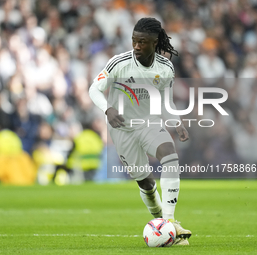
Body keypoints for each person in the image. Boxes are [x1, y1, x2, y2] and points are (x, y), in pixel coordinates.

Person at [89, 17, 191, 245]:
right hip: (123, 129)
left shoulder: (165, 68)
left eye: (142, 42)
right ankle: (162, 223)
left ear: (155, 42)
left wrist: (176, 122)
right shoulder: (119, 63)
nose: (136, 46)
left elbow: (166, 103)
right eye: (134, 40)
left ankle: (170, 221)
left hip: (150, 124)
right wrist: (108, 109)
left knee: (169, 154)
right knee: (146, 182)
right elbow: (94, 89)